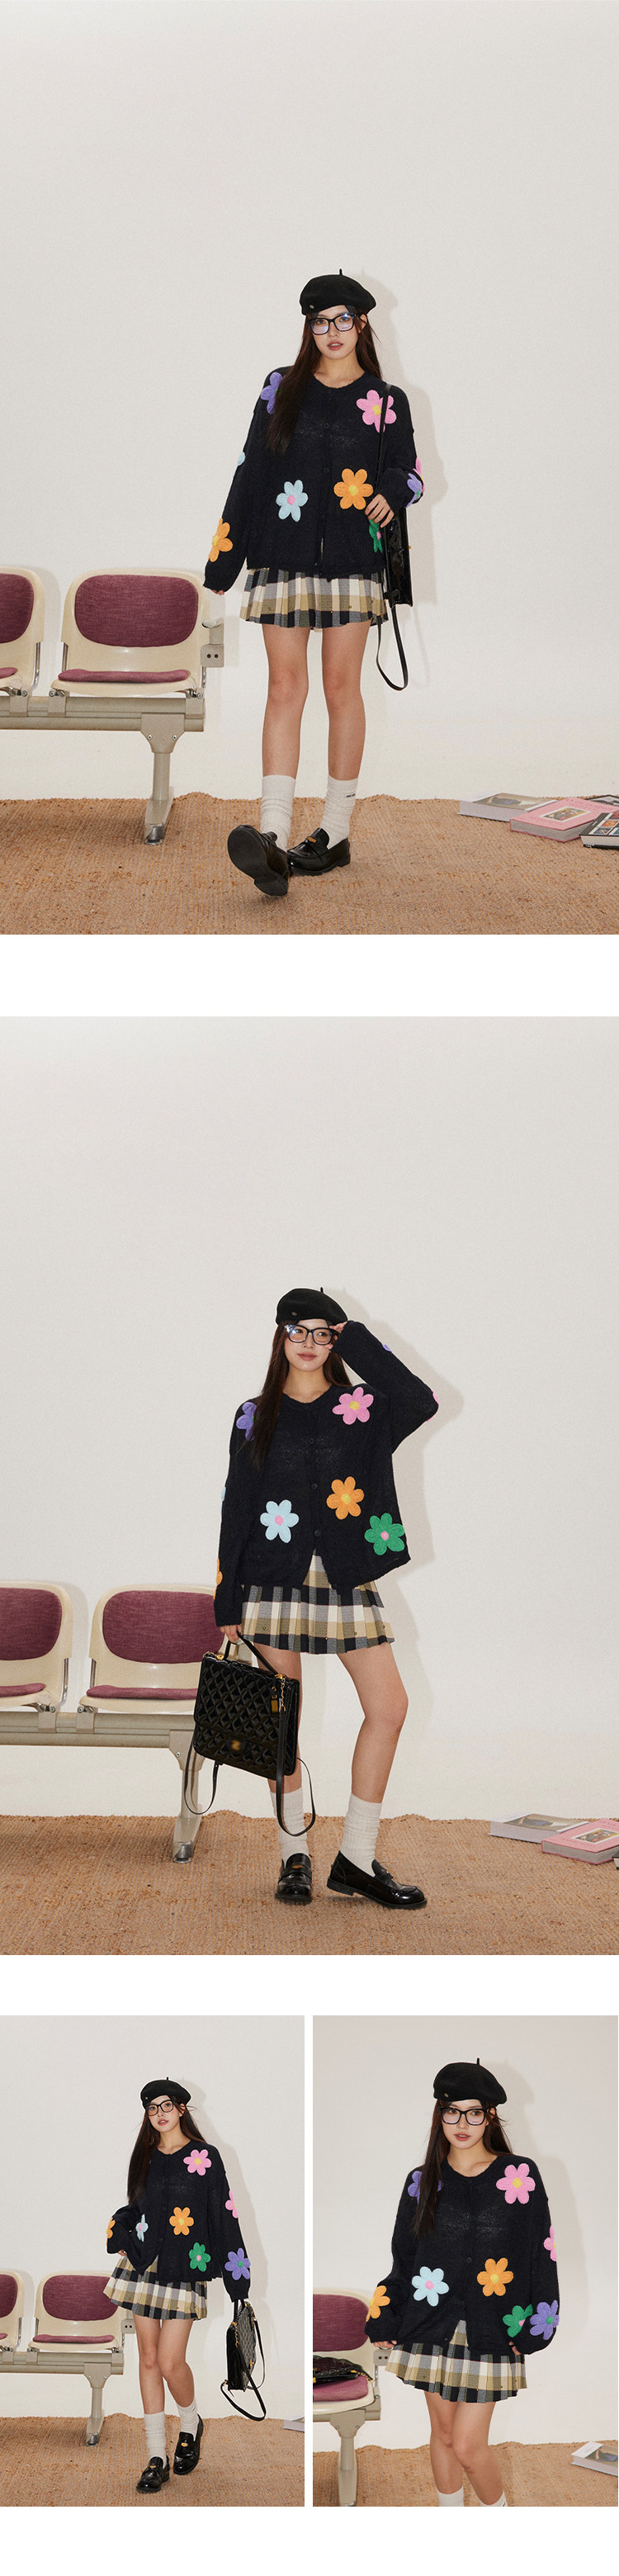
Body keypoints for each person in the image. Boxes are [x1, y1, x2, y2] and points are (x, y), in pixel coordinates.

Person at [203, 269, 423, 900]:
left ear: (362, 324)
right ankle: (272, 834)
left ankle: (334, 831)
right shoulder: (280, 389)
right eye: (320, 320)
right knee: (283, 687)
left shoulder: (385, 400)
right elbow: (249, 474)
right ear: (308, 327)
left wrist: (390, 492)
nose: (332, 331)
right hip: (282, 556)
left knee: (340, 688)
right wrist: (222, 565)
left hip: (354, 560)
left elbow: (412, 473)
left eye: (343, 319)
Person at [214, 1287, 437, 1909]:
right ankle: (294, 1856)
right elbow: (236, 1509)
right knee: (280, 1722)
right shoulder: (254, 1414)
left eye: (323, 1332)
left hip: (344, 1576)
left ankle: (357, 1859)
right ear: (279, 1336)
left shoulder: (358, 1408)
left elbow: (420, 1400)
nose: (309, 1343)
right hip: (269, 1580)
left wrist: (355, 1335)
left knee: (389, 1707)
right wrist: (226, 1600)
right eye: (298, 1330)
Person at [365, 2056, 560, 2507]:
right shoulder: (421, 2182)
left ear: (490, 2116)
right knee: (445, 2434)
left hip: (494, 2326)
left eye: (474, 2113)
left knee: (470, 2447)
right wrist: (386, 2316)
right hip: (430, 2324)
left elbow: (541, 2255)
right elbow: (404, 2259)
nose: (462, 2124)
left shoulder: (519, 2176)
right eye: (452, 2112)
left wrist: (538, 2325)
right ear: (440, 2115)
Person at [105, 2078, 250, 2493]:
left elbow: (224, 2215)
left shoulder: (206, 2156)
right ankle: (156, 2456)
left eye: (166, 2105)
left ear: (182, 2108)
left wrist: (238, 2281)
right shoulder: (146, 2156)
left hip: (186, 2266)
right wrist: (121, 2234)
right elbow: (135, 2207)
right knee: (148, 2359)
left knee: (171, 2363)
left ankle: (190, 2422)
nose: (159, 2113)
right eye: (152, 2108)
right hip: (143, 2266)